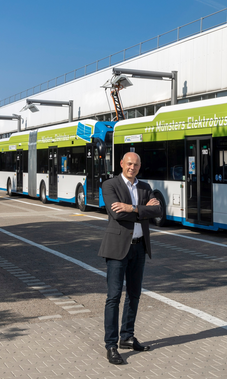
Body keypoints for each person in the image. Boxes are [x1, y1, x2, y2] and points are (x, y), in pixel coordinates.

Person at [98, 151, 162, 365]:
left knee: (134, 295)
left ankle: (127, 336)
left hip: (139, 247)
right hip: (117, 249)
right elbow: (117, 214)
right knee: (114, 297)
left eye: (135, 164)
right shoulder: (110, 185)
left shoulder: (144, 187)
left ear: (139, 166)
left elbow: (158, 211)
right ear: (121, 164)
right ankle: (111, 345)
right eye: (129, 164)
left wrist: (132, 207)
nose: (132, 167)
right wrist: (142, 210)